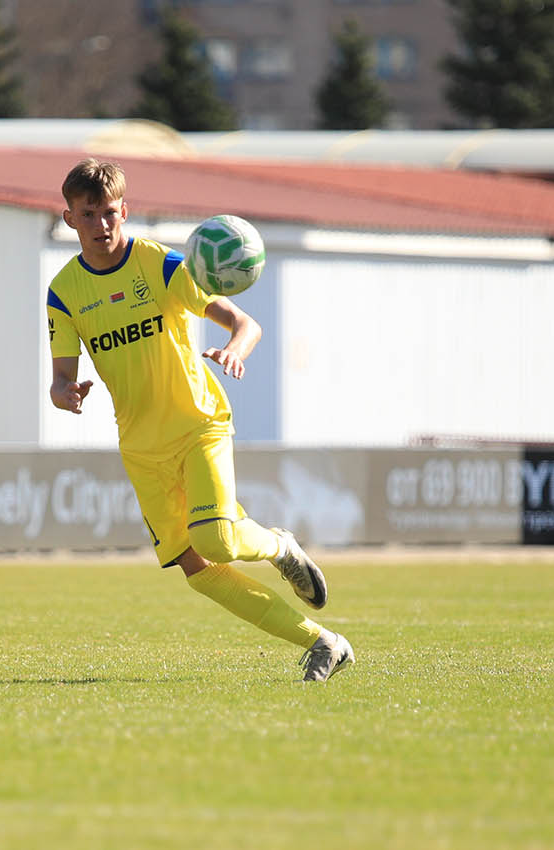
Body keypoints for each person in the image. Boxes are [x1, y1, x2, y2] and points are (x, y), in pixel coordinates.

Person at [45, 158, 354, 682]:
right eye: (89, 214)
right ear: (70, 218)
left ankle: (280, 546)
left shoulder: (162, 266)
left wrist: (235, 348)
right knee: (198, 569)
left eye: (110, 213)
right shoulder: (63, 292)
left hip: (198, 424)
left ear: (126, 210)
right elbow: (60, 377)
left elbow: (244, 322)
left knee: (216, 540)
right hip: (142, 448)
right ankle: (323, 643)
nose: (101, 225)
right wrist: (64, 393)